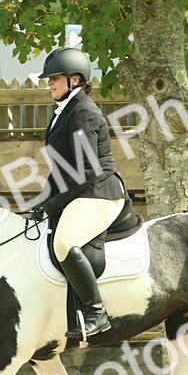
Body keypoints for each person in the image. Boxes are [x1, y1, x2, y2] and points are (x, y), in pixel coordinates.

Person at [32, 46, 128, 339]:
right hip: (83, 192)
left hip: (99, 192)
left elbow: (85, 170)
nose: (49, 83)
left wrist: (54, 205)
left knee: (63, 243)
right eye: (49, 79)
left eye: (55, 78)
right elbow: (61, 167)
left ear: (75, 79)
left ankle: (95, 312)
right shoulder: (64, 111)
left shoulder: (83, 111)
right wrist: (43, 202)